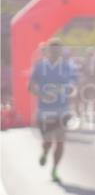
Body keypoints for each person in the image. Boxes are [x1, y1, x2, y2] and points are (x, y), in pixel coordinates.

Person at [29, 39, 77, 183]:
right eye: (53, 50)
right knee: (48, 142)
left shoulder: (68, 67)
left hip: (62, 110)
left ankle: (55, 169)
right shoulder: (39, 66)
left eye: (58, 50)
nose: (55, 53)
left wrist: (72, 91)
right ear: (48, 51)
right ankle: (44, 152)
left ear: (61, 51)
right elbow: (31, 87)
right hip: (45, 111)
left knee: (60, 141)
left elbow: (74, 85)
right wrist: (43, 95)